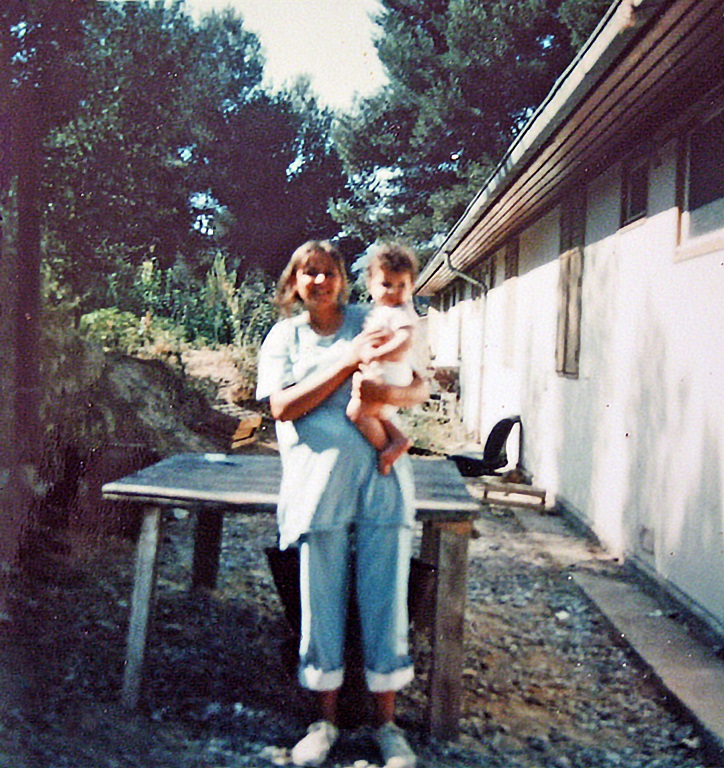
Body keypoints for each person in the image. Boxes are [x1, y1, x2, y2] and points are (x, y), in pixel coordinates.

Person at [256, 240, 428, 768]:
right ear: (294, 283)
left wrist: (385, 395)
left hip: (382, 480)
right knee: (319, 605)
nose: (320, 281)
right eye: (309, 273)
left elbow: (418, 387)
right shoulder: (285, 337)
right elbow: (283, 406)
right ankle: (323, 723)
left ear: (342, 279)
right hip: (317, 487)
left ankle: (387, 727)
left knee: (386, 604)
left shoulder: (372, 315)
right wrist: (346, 360)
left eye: (328, 272)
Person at [346, 243, 419, 476]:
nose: (393, 291)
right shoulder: (382, 311)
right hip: (383, 370)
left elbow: (404, 341)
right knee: (375, 413)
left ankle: (387, 449)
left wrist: (376, 354)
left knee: (357, 413)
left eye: (401, 285)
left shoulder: (400, 312)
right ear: (370, 285)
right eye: (386, 284)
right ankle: (399, 440)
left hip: (390, 372)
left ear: (411, 287)